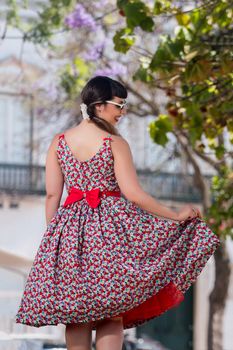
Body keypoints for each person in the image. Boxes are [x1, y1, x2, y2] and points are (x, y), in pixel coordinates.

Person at [15, 75, 220, 350]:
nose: (123, 112)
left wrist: (54, 237)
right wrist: (174, 215)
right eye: (119, 105)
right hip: (110, 234)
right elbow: (134, 194)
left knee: (77, 316)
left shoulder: (59, 142)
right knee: (111, 316)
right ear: (99, 106)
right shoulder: (114, 143)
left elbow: (53, 194)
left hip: (68, 235)